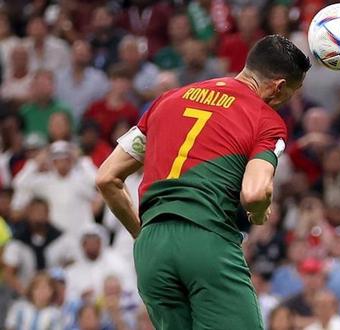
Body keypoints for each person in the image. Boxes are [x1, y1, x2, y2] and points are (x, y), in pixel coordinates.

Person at [96, 35, 310, 329]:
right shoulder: (266, 120)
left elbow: (107, 177)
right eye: (291, 94)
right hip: (206, 240)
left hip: (151, 252)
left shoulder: (167, 100)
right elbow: (255, 191)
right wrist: (258, 214)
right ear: (279, 86)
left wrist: (141, 234)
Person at [11, 141, 98, 236]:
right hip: (56, 237)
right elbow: (19, 183)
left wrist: (81, 160)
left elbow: (98, 183)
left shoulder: (82, 179)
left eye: (65, 159)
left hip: (81, 236)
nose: (62, 163)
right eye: (57, 160)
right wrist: (36, 162)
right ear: (52, 162)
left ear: (71, 160)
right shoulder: (45, 181)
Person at [2, 198, 63, 296]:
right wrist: (25, 292)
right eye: (35, 211)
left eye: (41, 211)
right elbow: (8, 273)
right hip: (23, 293)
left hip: (54, 295)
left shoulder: (61, 239)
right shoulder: (17, 241)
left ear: (48, 214)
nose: (38, 215)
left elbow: (72, 265)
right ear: (27, 213)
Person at [55, 40, 109, 123]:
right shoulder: (58, 78)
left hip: (89, 125)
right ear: (71, 55)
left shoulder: (99, 78)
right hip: (63, 123)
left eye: (84, 54)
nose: (80, 57)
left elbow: (103, 104)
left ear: (89, 56)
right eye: (78, 54)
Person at [83, 64, 139, 143]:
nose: (122, 84)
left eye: (125, 81)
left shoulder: (131, 111)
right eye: (118, 80)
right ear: (110, 81)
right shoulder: (95, 107)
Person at [19, 70, 72, 139]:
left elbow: (72, 136)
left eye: (46, 85)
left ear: (53, 87)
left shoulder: (64, 110)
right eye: (40, 85)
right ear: (33, 86)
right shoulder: (24, 112)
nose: (42, 89)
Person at [218, 5, 265, 74]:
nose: (248, 22)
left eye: (252, 19)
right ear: (239, 21)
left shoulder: (263, 42)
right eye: (245, 19)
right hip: (233, 81)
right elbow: (222, 72)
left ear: (258, 21)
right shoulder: (229, 42)